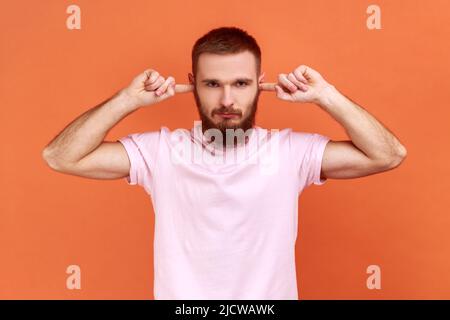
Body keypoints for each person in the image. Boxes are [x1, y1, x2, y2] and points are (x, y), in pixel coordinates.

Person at [42, 26, 407, 300]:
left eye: (241, 83)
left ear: (261, 84)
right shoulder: (161, 152)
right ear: (193, 84)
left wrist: (326, 96)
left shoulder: (289, 152)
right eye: (213, 84)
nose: (228, 99)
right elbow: (60, 157)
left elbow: (388, 154)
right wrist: (126, 100)